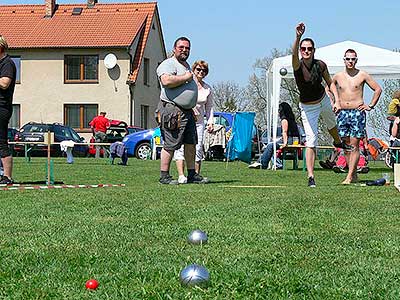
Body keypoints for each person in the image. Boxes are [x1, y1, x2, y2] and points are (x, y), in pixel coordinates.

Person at [292, 23, 353, 187]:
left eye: (309, 49)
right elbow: (294, 53)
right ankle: (311, 176)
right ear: (300, 51)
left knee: (332, 124)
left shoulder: (320, 65)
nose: (306, 51)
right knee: (311, 140)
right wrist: (298, 37)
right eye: (303, 49)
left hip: (323, 99)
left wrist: (337, 101)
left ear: (314, 50)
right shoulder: (297, 65)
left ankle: (337, 141)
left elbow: (330, 83)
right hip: (307, 106)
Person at [156, 37, 207, 184]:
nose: (184, 50)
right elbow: (166, 81)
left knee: (191, 143)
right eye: (181, 47)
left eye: (187, 48)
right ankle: (164, 176)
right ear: (174, 48)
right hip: (172, 110)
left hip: (187, 111)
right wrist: (186, 77)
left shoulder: (186, 65)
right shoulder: (168, 64)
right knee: (171, 143)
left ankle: (192, 174)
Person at [330, 49, 382, 184]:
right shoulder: (338, 76)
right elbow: (328, 87)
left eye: (353, 59)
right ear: (344, 60)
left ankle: (349, 176)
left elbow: (378, 89)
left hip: (357, 112)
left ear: (356, 60)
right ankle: (352, 175)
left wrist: (370, 105)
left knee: (354, 145)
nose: (350, 61)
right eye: (348, 59)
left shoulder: (362, 75)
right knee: (346, 145)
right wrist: (335, 101)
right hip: (342, 113)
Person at [174, 60, 214, 183]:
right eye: (198, 70)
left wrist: (210, 121)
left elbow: (209, 107)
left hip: (199, 123)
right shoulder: (187, 84)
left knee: (197, 148)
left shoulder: (207, 88)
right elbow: (180, 99)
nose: (201, 72)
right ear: (193, 70)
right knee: (181, 148)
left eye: (204, 70)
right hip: (184, 120)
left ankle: (195, 175)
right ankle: (181, 175)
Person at [249, 102, 300, 169]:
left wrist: (285, 143)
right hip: (294, 140)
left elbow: (285, 132)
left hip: (288, 140)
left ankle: (263, 163)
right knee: (272, 146)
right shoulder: (292, 120)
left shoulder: (284, 120)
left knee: (270, 146)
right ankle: (276, 164)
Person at [0, 35, 16, 185]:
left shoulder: (7, 63)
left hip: (2, 108)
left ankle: (7, 177)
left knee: (1, 142)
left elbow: (4, 83)